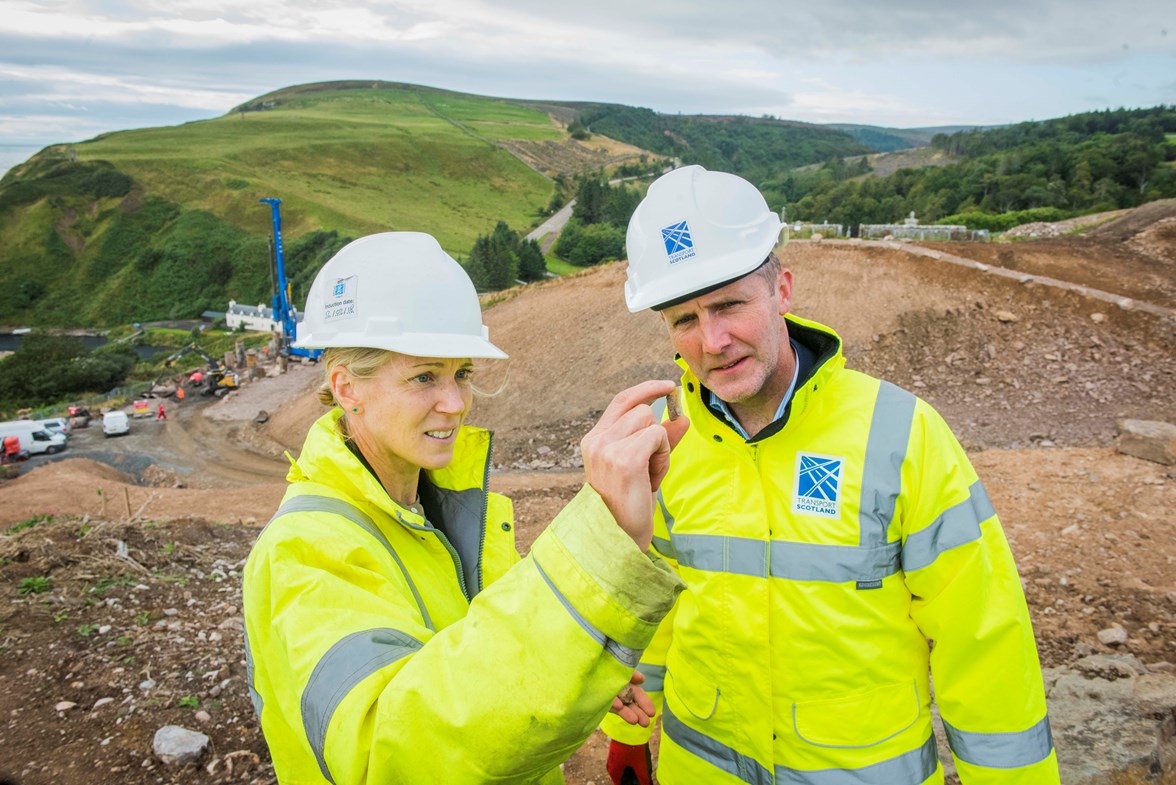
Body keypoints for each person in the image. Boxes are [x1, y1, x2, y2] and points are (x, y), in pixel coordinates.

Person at [600, 166, 1060, 785]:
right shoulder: (663, 442)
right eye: (683, 319)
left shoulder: (902, 434)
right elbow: (648, 603)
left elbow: (982, 641)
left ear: (782, 290)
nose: (712, 340)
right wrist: (628, 730)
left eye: (729, 304)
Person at [243, 232, 687, 785]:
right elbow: (394, 755)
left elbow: (470, 666)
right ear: (346, 387)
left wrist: (569, 662)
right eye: (424, 376)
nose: (454, 404)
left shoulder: (442, 514)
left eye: (462, 374)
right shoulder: (305, 552)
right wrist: (603, 535)